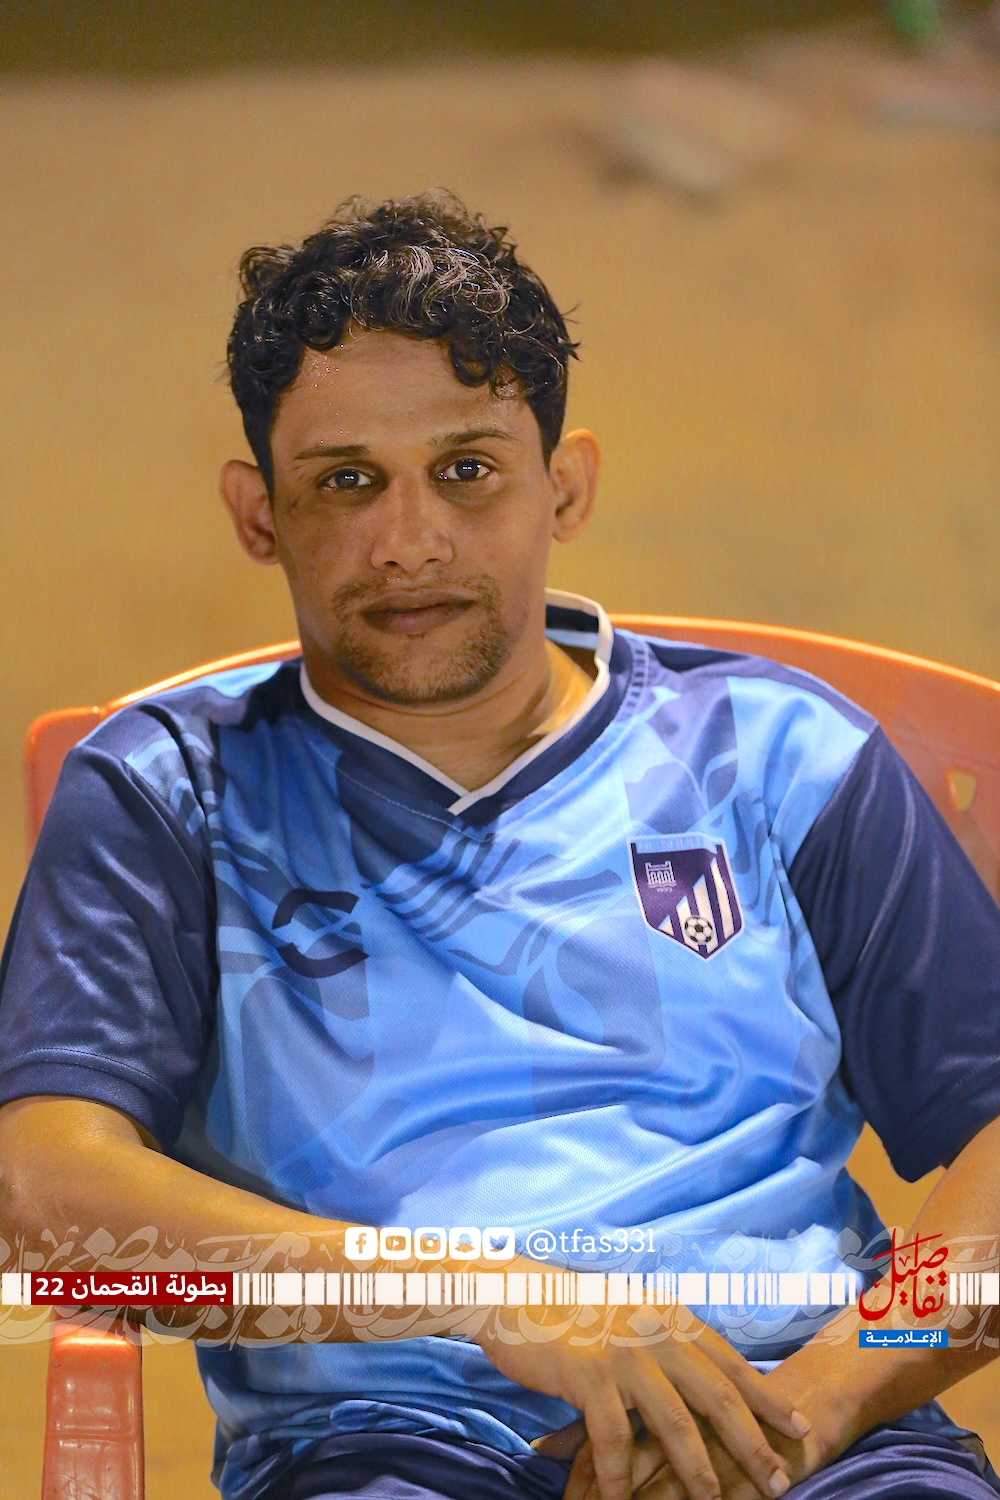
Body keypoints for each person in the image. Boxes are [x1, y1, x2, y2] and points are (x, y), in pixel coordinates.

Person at [0, 193, 997, 1500]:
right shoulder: (164, 791)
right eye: (345, 480)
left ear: (563, 485)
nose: (408, 541)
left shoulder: (780, 755)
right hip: (379, 1446)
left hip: (809, 1436)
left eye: (467, 469)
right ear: (258, 514)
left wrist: (822, 1400)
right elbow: (45, 1209)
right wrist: (483, 1294)